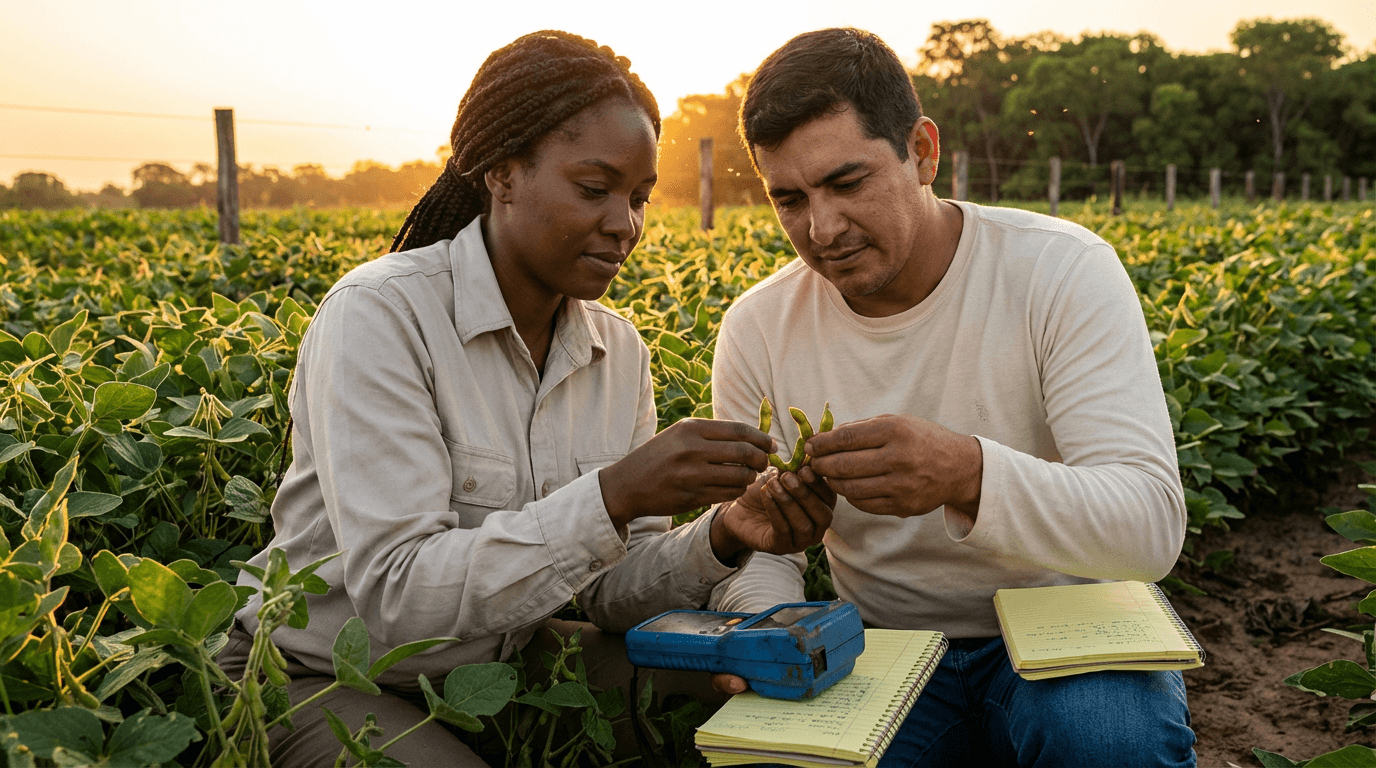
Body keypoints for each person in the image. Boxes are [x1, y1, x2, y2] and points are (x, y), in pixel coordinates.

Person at [219, 30, 832, 767]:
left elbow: (610, 597)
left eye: (638, 198)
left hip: (503, 659)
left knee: (745, 687)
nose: (624, 224)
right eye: (593, 188)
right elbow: (398, 594)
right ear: (504, 175)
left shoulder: (617, 351)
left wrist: (728, 532)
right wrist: (614, 494)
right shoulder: (381, 314)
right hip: (321, 673)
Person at [705, 28, 1196, 767]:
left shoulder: (1061, 272)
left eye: (847, 182)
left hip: (1074, 629)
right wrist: (769, 622)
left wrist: (969, 473)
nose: (822, 228)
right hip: (882, 644)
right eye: (790, 199)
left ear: (924, 152)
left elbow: (1149, 527)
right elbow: (764, 540)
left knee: (1108, 741)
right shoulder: (759, 327)